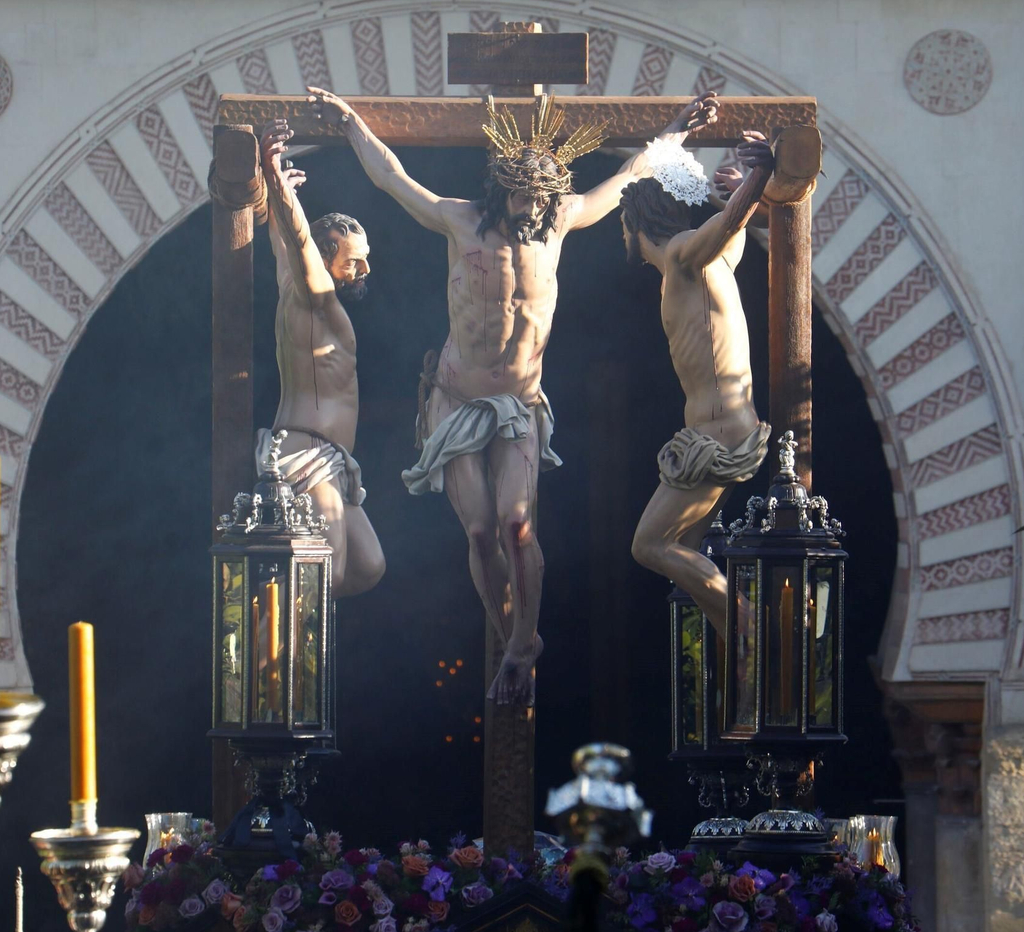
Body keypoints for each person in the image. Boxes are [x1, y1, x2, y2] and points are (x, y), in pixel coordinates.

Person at [306, 86, 717, 704]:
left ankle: (524, 642)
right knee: (479, 532)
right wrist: (349, 123)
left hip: (519, 405)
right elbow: (392, 178)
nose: (533, 209)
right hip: (455, 399)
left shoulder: (560, 221)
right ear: (502, 191)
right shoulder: (459, 219)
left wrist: (679, 127)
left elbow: (632, 173)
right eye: (524, 197)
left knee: (517, 525)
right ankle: (516, 645)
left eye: (543, 199)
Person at [620, 128, 780, 629]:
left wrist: (759, 175)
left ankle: (752, 628)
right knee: (686, 550)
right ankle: (739, 644)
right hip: (714, 429)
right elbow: (735, 226)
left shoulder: (683, 253)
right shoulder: (708, 264)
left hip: (719, 433)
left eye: (622, 226)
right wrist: (745, 191)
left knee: (649, 545)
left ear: (634, 222)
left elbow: (729, 223)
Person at [256, 118, 385, 598]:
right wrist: (273, 175)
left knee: (368, 566)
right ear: (325, 261)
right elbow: (298, 240)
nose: (365, 268)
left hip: (332, 458)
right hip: (307, 451)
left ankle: (287, 592)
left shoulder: (293, 284)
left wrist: (278, 197)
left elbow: (282, 242)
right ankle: (277, 622)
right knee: (326, 574)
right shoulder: (315, 294)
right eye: (354, 260)